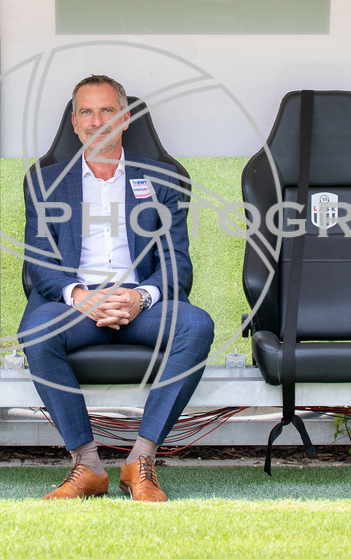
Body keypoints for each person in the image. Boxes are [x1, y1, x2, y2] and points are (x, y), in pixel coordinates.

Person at [18, 74, 215, 502]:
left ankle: (140, 461)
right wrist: (81, 297)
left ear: (124, 118)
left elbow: (177, 264)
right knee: (36, 329)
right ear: (74, 123)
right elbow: (40, 264)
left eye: (107, 110)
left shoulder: (161, 180)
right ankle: (87, 465)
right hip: (77, 307)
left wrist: (139, 296)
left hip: (139, 307)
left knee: (196, 326)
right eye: (86, 111)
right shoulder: (46, 182)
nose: (96, 121)